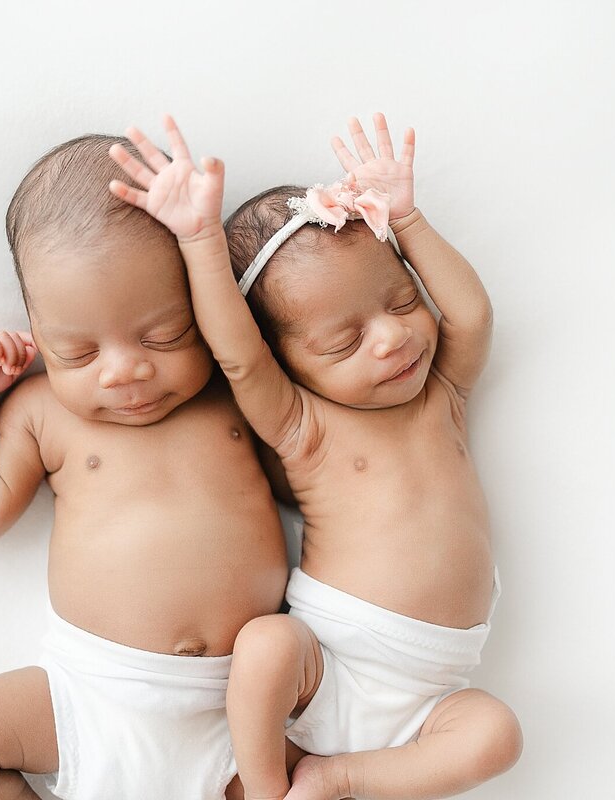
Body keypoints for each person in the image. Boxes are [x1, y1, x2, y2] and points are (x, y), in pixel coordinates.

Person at [109, 114, 522, 800]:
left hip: (435, 691)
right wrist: (199, 241)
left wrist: (407, 218)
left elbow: (471, 316)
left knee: (497, 735)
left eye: (400, 300)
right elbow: (238, 358)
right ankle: (266, 784)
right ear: (291, 366)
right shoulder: (305, 427)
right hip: (327, 663)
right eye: (342, 342)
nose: (391, 338)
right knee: (266, 645)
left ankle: (341, 779)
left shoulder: (444, 393)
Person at [0, 133, 289, 800]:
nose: (126, 371)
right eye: (78, 352)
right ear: (37, 331)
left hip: (245, 708)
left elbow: (305, 478)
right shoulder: (42, 409)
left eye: (164, 335)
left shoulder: (235, 392)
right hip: (94, 695)